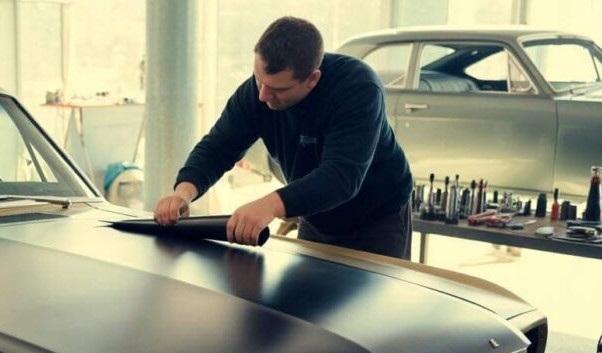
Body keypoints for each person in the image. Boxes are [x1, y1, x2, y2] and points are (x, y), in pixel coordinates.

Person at [153, 16, 414, 259]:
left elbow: (341, 176)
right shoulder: (257, 93)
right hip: (316, 215)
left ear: (312, 79)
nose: (263, 96)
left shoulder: (357, 89)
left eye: (278, 88)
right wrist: (183, 193)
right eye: (259, 80)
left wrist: (268, 206)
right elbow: (218, 147)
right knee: (306, 303)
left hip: (378, 219)